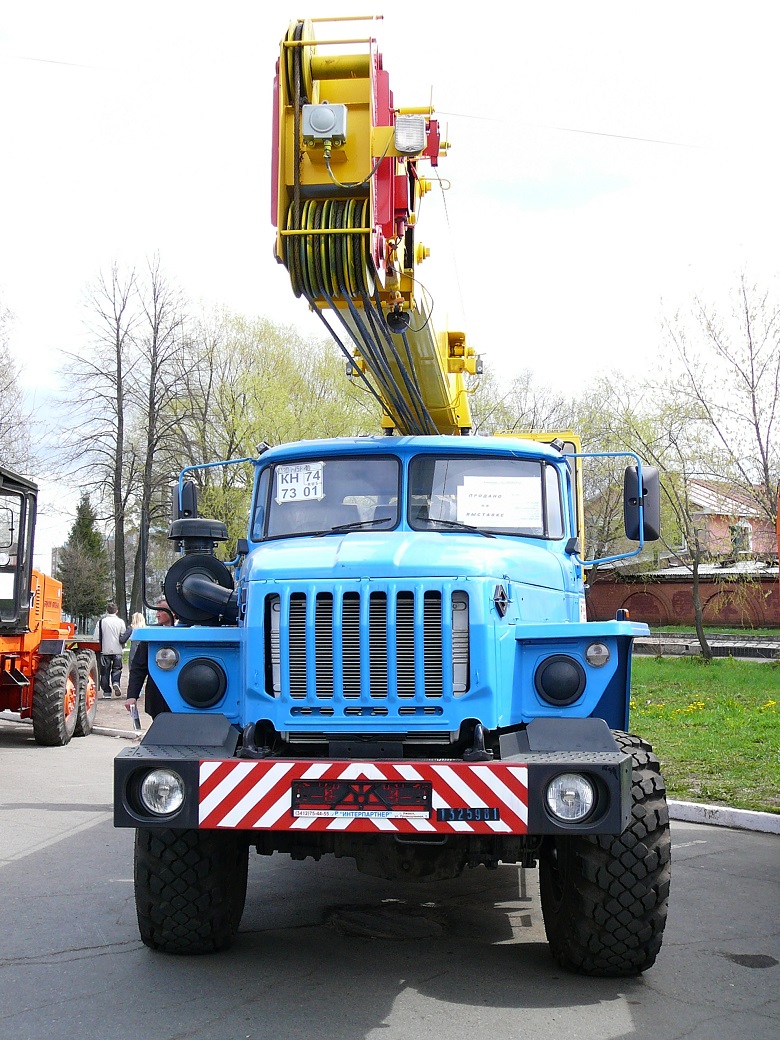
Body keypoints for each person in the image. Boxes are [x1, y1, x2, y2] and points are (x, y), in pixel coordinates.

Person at [125, 600, 175, 719]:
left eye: (160, 610)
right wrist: (132, 696)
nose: (157, 614)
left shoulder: (189, 632)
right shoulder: (151, 635)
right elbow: (138, 667)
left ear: (172, 612)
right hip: (158, 701)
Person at [93, 602, 131, 698]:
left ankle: (106, 692)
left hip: (105, 650)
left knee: (104, 672)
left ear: (106, 611)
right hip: (117, 650)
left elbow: (96, 637)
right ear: (116, 611)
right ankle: (116, 682)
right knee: (117, 669)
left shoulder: (101, 622)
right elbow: (123, 635)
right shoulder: (121, 622)